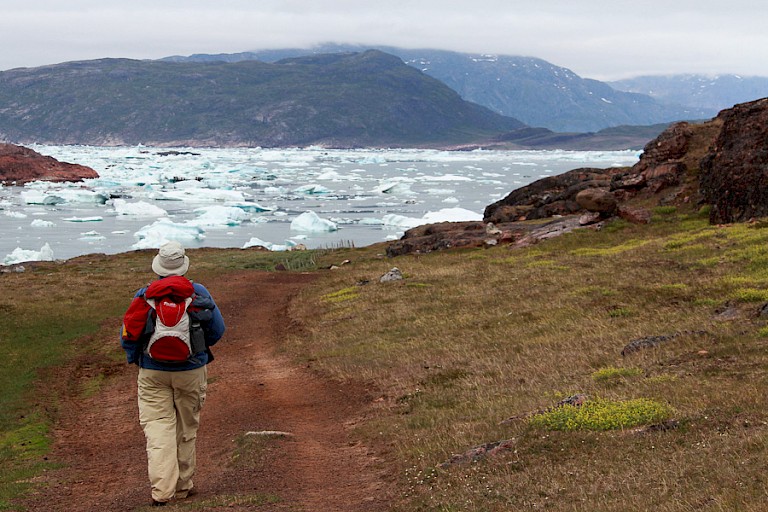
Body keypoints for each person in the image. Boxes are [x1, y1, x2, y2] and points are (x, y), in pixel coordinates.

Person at [120, 241, 225, 507]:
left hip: (152, 373)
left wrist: (138, 360)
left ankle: (162, 492)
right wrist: (199, 352)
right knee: (186, 429)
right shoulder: (198, 292)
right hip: (191, 371)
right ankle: (182, 487)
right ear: (183, 266)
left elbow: (129, 335)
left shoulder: (144, 294)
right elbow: (217, 331)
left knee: (158, 430)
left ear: (158, 268)